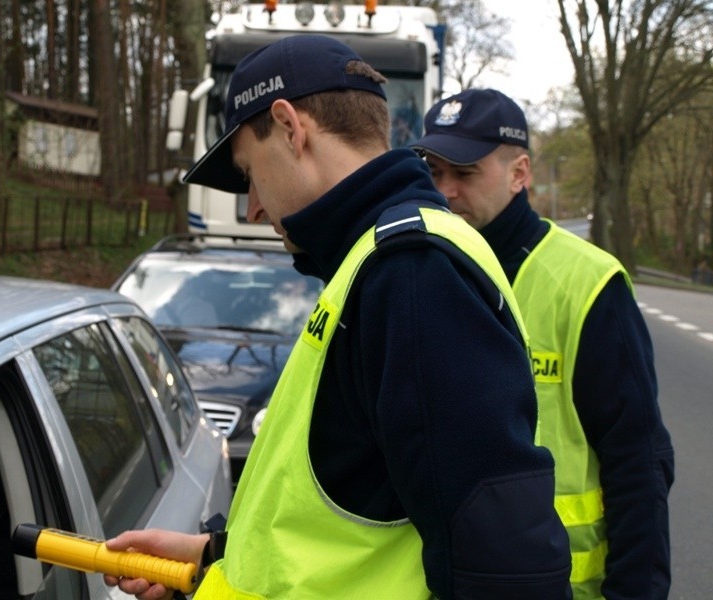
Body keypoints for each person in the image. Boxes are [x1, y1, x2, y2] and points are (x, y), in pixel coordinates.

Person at [104, 36, 571, 599]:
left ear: (289, 126)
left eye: (249, 172)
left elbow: (503, 563)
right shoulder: (375, 264)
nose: (253, 207)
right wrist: (213, 559)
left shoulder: (411, 274)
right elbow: (352, 512)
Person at [411, 88, 675, 599]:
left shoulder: (587, 284)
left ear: (520, 173)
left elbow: (638, 463)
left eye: (463, 174)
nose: (444, 191)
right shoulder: (422, 269)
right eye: (434, 172)